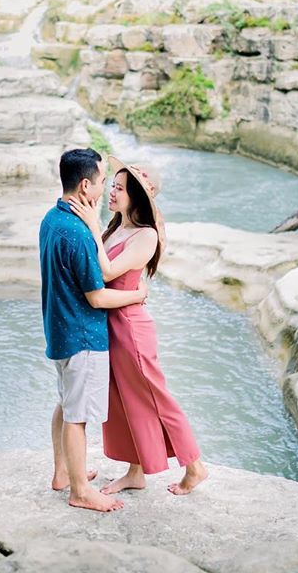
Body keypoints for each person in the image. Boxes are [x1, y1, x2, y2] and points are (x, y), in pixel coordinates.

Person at [69, 155, 209, 496]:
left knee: (156, 397)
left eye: (119, 188)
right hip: (110, 325)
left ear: (137, 196)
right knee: (123, 400)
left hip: (131, 329)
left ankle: (195, 466)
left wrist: (89, 226)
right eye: (111, 186)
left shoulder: (145, 236)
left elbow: (104, 273)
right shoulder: (117, 228)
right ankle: (136, 472)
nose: (111, 193)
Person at [39, 148, 148, 513]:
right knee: (78, 415)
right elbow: (98, 296)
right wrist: (138, 294)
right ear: (85, 185)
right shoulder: (79, 234)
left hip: (58, 331)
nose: (105, 189)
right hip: (83, 335)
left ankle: (63, 473)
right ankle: (81, 491)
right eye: (103, 181)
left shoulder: (52, 219)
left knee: (66, 403)